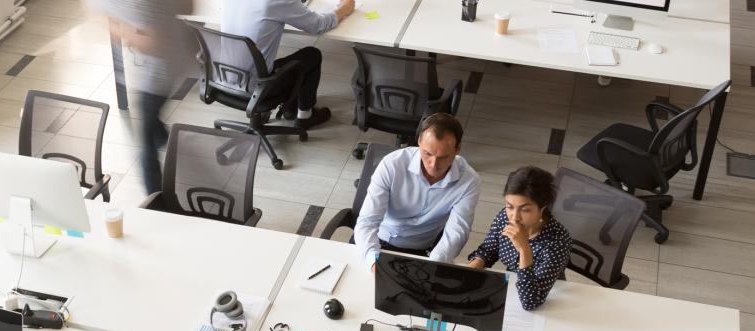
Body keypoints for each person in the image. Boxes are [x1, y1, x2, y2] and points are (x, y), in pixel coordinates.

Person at [353, 112, 481, 270]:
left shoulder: (469, 181)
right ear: (419, 141)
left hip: (420, 251)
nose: (433, 165)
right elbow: (368, 220)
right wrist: (374, 261)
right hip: (376, 240)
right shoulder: (392, 165)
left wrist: (432, 266)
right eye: (428, 154)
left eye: (443, 157)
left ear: (457, 149)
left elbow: (457, 232)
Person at [102, 0, 192, 195]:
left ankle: (156, 201)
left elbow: (154, 44)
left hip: (154, 76)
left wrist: (118, 29)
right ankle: (163, 137)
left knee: (145, 142)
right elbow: (188, 7)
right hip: (174, 60)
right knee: (151, 117)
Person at [222, 0, 356, 129]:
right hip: (256, 88)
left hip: (223, 77)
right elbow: (318, 25)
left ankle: (291, 107)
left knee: (271, 62)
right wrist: (345, 8)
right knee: (311, 55)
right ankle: (305, 116)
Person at [467, 166, 570, 310]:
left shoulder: (557, 241)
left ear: (543, 208)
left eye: (525, 209)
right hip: (511, 288)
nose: (514, 217)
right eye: (509, 206)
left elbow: (531, 302)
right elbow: (489, 250)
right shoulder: (504, 217)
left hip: (550, 296)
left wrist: (524, 250)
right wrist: (472, 269)